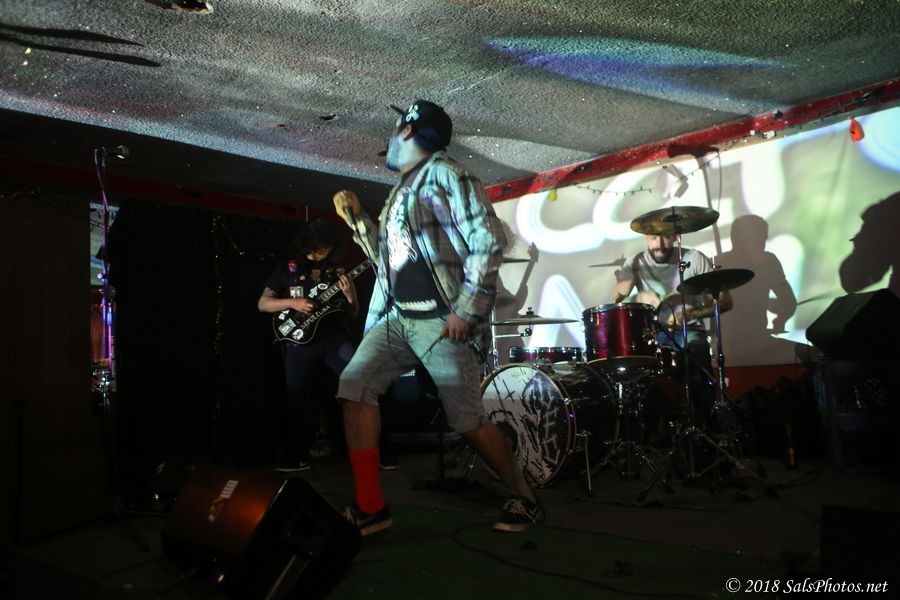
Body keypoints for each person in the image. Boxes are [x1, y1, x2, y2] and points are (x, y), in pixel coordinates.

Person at [332, 99, 543, 536]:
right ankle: (371, 506)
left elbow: (487, 240)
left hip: (441, 319)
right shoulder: (399, 191)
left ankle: (524, 496)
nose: (390, 137)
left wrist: (467, 309)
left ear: (407, 130)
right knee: (354, 386)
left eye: (395, 128)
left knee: (466, 420)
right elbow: (390, 261)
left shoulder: (448, 173)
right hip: (397, 318)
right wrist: (358, 223)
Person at [257, 218, 359, 472]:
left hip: (333, 338)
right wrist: (293, 303)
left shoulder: (337, 270)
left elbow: (353, 313)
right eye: (324, 244)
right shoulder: (287, 268)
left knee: (360, 383)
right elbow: (263, 304)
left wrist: (350, 296)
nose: (327, 249)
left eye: (330, 245)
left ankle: (371, 452)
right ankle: (294, 457)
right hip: (300, 342)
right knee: (298, 398)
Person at [611, 232, 732, 427]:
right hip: (655, 334)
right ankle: (652, 433)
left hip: (689, 330)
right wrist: (638, 298)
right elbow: (615, 299)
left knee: (698, 363)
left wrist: (691, 314)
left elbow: (725, 301)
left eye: (665, 237)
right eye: (653, 237)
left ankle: (707, 429)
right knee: (644, 382)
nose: (659, 243)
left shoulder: (693, 258)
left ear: (675, 236)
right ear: (645, 237)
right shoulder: (636, 261)